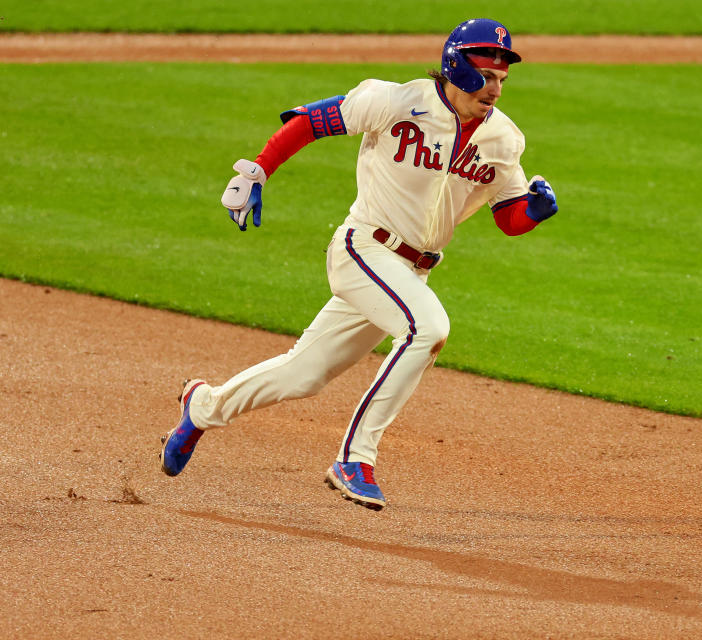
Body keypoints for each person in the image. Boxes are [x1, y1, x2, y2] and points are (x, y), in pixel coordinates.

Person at [160, 18, 558, 511]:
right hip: (362, 250)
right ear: (458, 67)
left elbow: (509, 217)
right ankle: (355, 458)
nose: (496, 88)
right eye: (488, 76)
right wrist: (259, 169)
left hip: (410, 272)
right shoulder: (396, 101)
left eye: (503, 79)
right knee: (427, 329)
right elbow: (310, 121)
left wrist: (535, 212)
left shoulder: (503, 139)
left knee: (302, 374)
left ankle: (202, 406)